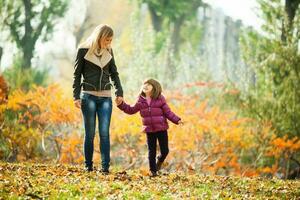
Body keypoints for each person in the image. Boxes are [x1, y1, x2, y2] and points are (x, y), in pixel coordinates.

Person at [72, 24, 123, 173]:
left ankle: (105, 167)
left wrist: (119, 92)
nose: (109, 43)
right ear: (99, 37)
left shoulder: (109, 51)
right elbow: (77, 75)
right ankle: (88, 166)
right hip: (88, 96)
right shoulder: (82, 51)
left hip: (106, 97)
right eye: (107, 40)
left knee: (104, 133)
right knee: (90, 133)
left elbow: (114, 73)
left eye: (110, 40)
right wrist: (75, 96)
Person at [116, 78, 183, 177]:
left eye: (149, 84)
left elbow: (168, 112)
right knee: (151, 151)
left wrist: (177, 120)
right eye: (144, 84)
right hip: (149, 130)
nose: (146, 86)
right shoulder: (140, 101)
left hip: (161, 128)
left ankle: (159, 162)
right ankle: (153, 171)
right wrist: (121, 105)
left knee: (165, 151)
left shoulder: (160, 99)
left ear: (154, 87)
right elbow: (131, 110)